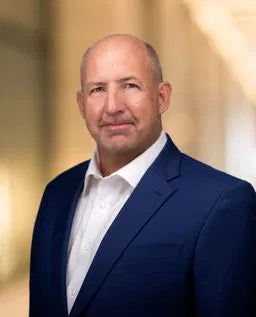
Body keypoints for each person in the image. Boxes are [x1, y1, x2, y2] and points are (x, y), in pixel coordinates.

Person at [29, 34, 256, 317]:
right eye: (97, 89)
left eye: (130, 85)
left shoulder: (222, 202)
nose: (113, 106)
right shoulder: (56, 194)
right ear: (80, 104)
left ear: (162, 97)